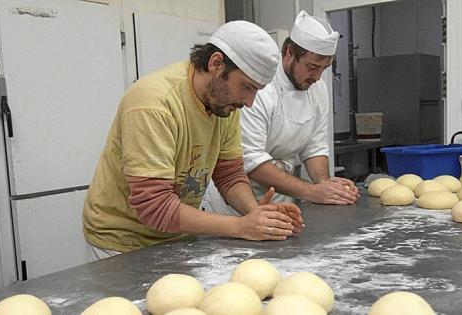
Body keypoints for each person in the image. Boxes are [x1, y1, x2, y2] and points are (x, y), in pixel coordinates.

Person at [82, 21, 303, 259]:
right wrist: (240, 226)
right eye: (246, 87)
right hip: (123, 242)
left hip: (176, 234)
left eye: (256, 91)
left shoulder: (224, 104)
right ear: (216, 63)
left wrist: (257, 214)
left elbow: (229, 175)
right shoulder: (154, 103)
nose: (249, 102)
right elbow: (153, 206)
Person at [202, 11, 359, 216]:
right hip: (232, 200)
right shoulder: (258, 87)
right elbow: (251, 160)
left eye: (324, 68)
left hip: (280, 192)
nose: (317, 77)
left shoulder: (317, 89)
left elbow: (315, 146)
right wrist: (311, 191)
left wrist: (326, 185)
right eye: (312, 67)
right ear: (289, 52)